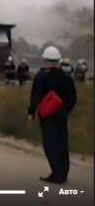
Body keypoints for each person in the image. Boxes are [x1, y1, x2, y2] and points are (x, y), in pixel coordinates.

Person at [28, 46, 77, 184]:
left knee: (50, 145)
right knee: (62, 143)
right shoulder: (66, 78)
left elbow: (35, 97)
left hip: (47, 116)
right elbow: (72, 99)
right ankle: (63, 173)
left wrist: (31, 112)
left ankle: (56, 175)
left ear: (45, 60)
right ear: (58, 60)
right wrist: (65, 112)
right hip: (61, 117)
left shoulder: (41, 76)